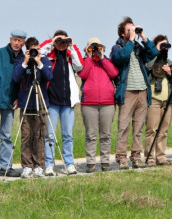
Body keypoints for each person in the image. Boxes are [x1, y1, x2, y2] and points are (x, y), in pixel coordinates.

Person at [111, 17, 159, 170]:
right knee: (123, 126)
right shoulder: (117, 47)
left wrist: (143, 36)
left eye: (134, 29)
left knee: (138, 127)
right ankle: (121, 158)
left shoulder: (138, 47)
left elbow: (153, 53)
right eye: (129, 30)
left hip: (142, 91)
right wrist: (131, 41)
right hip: (127, 92)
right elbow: (121, 58)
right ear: (122, 33)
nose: (132, 32)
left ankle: (136, 157)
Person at [40, 30, 84, 176]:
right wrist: (52, 41)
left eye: (64, 41)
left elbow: (80, 66)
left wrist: (71, 45)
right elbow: (39, 52)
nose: (61, 44)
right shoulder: (49, 56)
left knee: (68, 135)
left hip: (67, 102)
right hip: (52, 101)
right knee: (50, 136)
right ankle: (49, 165)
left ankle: (69, 164)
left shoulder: (70, 56)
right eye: (59, 41)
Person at [13, 37, 53, 178]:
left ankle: (39, 166)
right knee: (26, 136)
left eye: (37, 49)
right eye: (32, 50)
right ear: (27, 50)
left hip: (40, 103)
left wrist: (38, 61)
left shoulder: (45, 61)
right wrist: (25, 62)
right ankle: (27, 166)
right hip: (26, 103)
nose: (35, 52)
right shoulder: (22, 62)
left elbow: (49, 76)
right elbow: (16, 78)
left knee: (39, 135)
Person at [78, 38, 119, 173]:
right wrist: (89, 57)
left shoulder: (107, 61)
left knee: (106, 134)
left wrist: (101, 58)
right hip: (89, 103)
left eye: (98, 47)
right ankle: (90, 162)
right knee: (90, 134)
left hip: (107, 103)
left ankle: (105, 161)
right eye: (92, 47)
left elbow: (114, 73)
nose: (95, 50)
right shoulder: (85, 61)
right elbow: (83, 74)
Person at [144, 35, 172, 166]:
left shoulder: (169, 62)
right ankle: (150, 158)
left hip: (167, 100)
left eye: (166, 45)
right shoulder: (150, 60)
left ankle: (161, 157)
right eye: (161, 45)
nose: (164, 48)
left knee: (163, 130)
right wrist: (157, 57)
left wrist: (170, 73)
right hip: (154, 99)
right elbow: (147, 71)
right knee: (151, 130)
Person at [0, 30, 26, 177]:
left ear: (23, 42)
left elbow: (20, 81)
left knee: (6, 135)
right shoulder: (1, 53)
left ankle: (5, 167)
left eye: (20, 41)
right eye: (15, 40)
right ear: (10, 39)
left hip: (10, 100)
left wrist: (17, 97)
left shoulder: (23, 58)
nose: (16, 43)